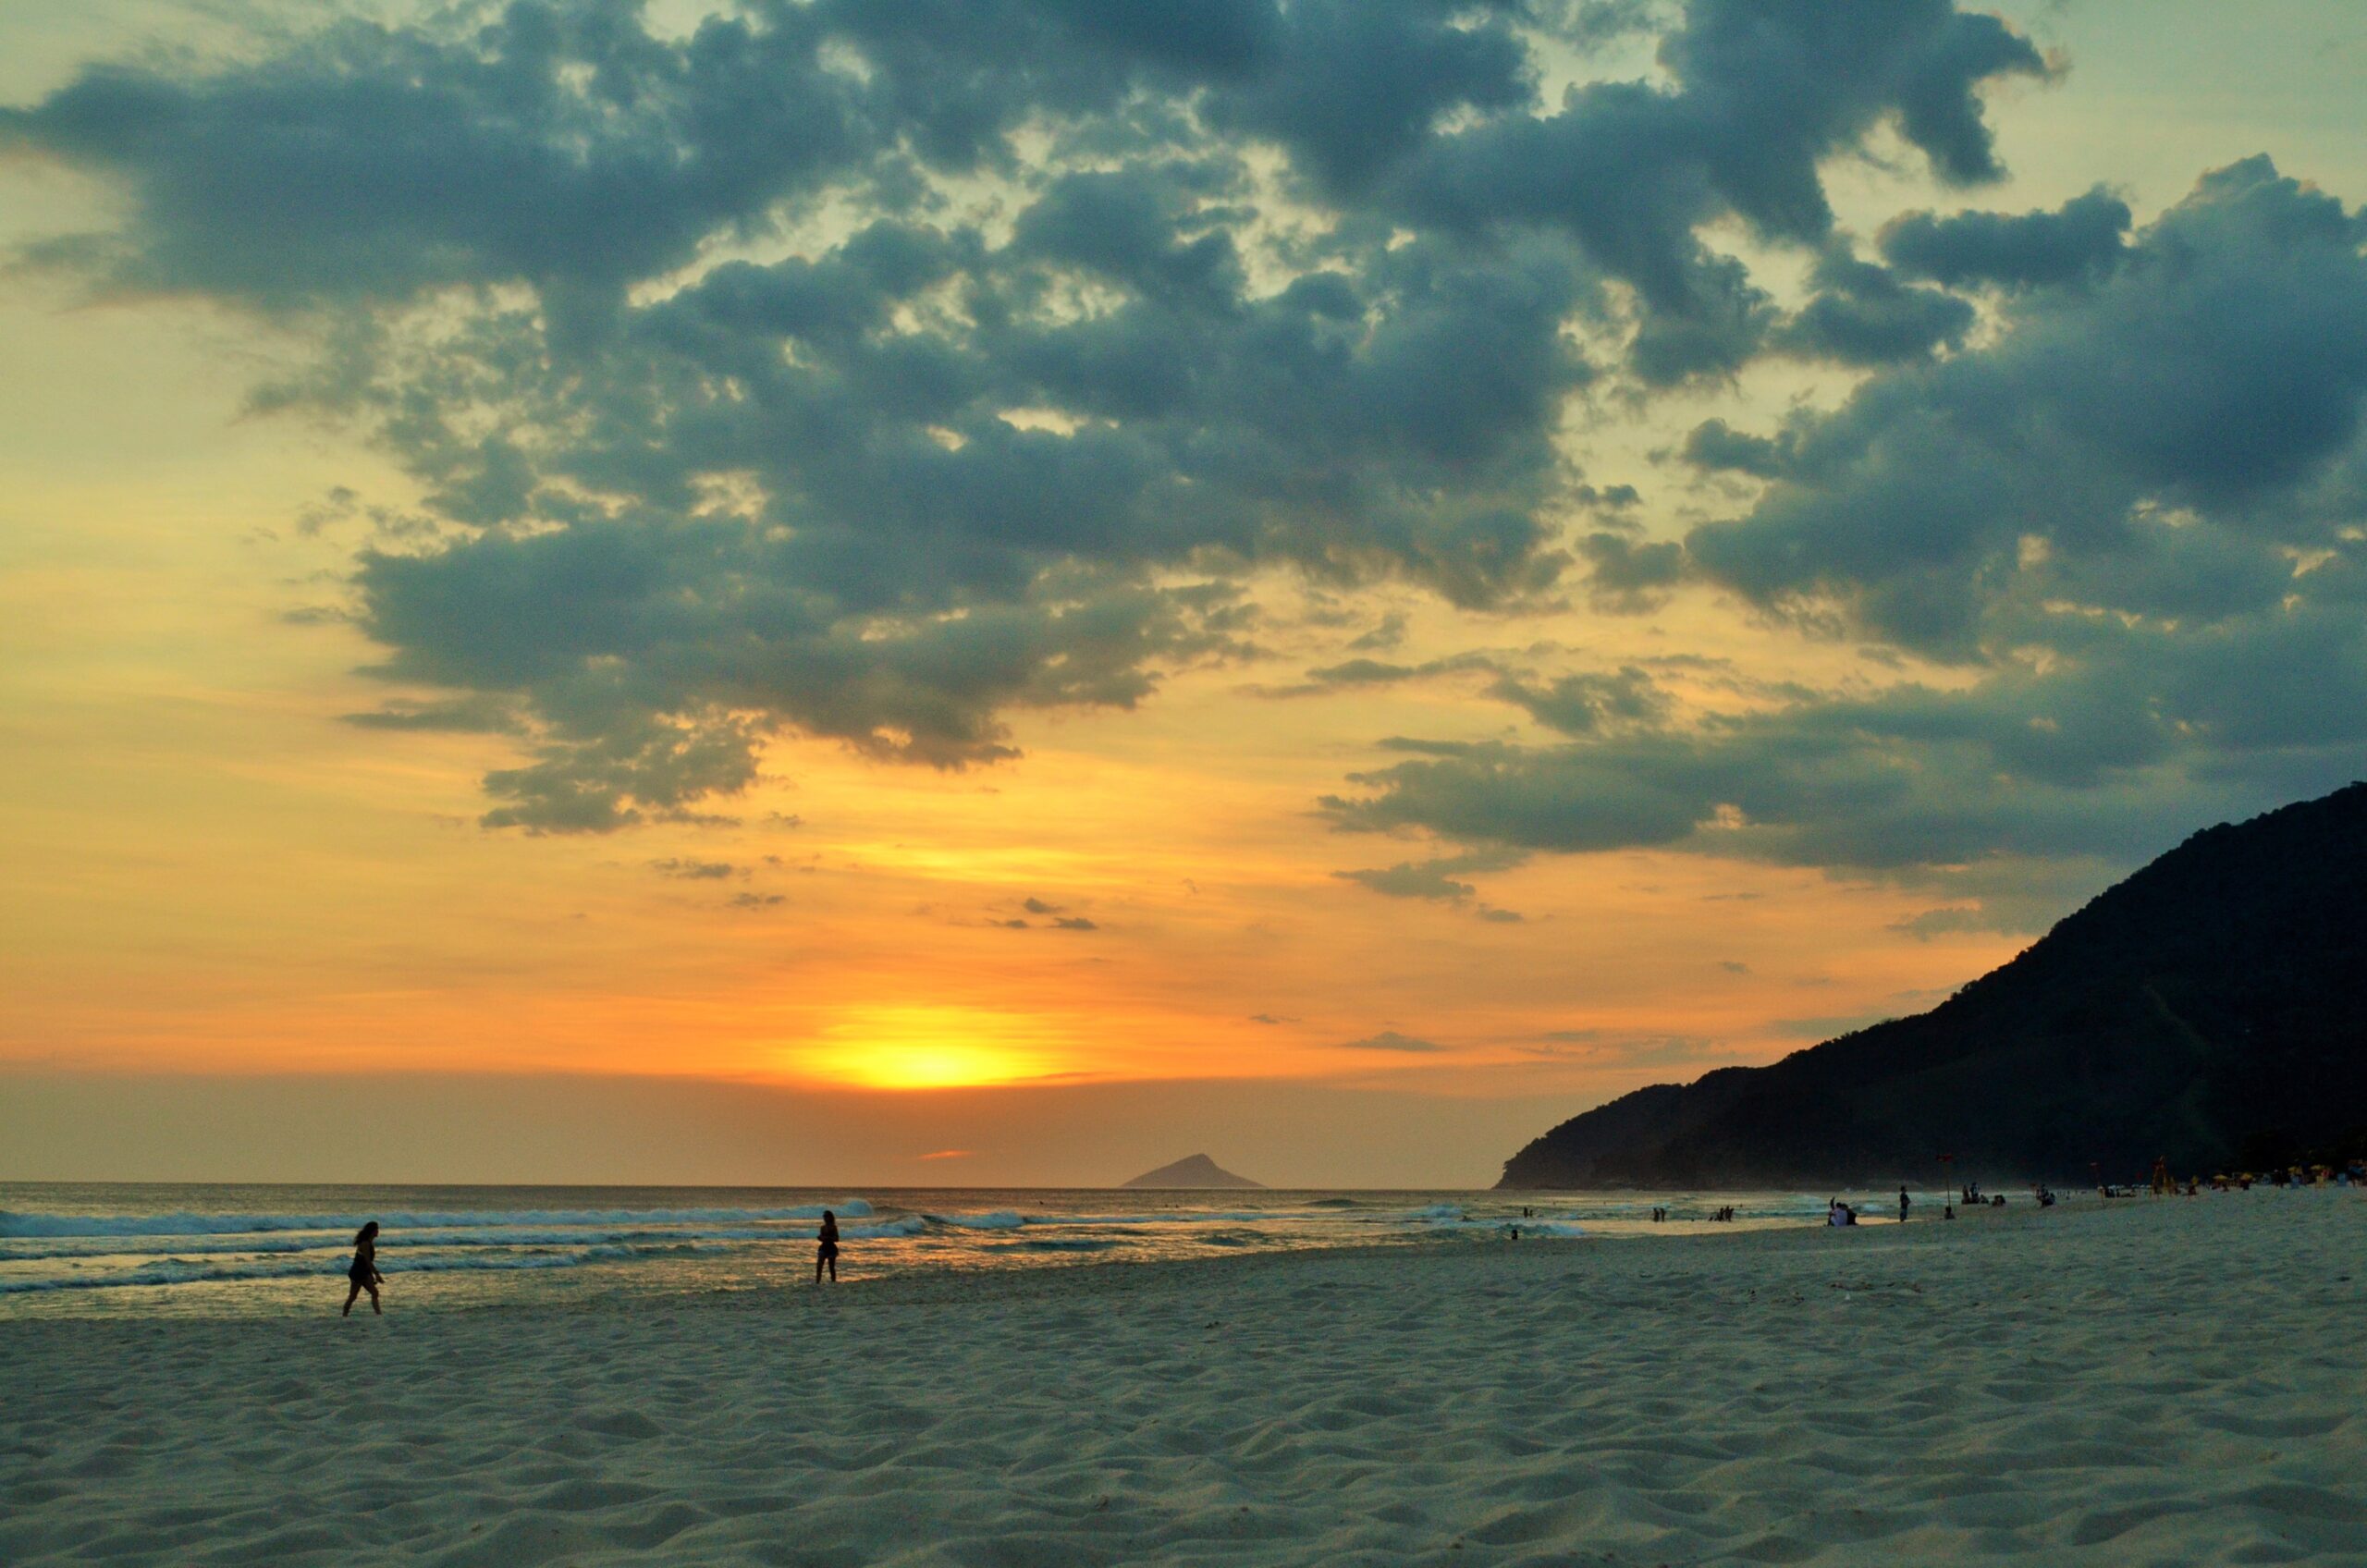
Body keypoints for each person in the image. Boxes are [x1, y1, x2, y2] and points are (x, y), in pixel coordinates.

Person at [342, 1221, 384, 1317]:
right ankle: (344, 1314)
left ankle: (379, 1315)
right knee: (353, 1296)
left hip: (364, 1272)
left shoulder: (369, 1242)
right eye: (377, 1229)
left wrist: (371, 1276)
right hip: (357, 1272)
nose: (378, 1231)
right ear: (372, 1231)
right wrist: (377, 1274)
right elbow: (368, 1261)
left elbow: (367, 1263)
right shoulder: (365, 1244)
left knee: (375, 1292)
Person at [815, 1209, 840, 1284]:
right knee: (819, 1265)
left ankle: (833, 1281)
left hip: (831, 1247)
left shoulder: (834, 1227)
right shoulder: (822, 1227)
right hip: (823, 1247)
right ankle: (817, 1282)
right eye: (824, 1216)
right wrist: (820, 1238)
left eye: (826, 1216)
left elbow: (837, 1239)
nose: (825, 1218)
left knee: (831, 1267)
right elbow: (822, 1237)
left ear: (830, 1217)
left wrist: (828, 1238)